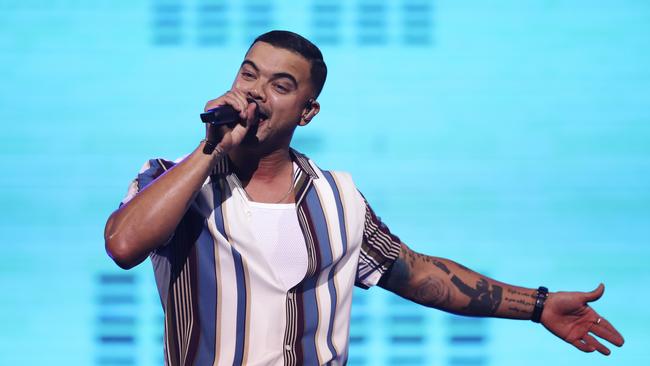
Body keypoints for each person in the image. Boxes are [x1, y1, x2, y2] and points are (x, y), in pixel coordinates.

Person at [104, 30, 624, 366]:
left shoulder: (338, 198)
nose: (258, 92)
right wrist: (210, 149)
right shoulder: (174, 180)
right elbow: (124, 245)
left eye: (281, 85)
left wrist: (536, 306)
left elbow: (417, 274)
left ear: (308, 112)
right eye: (249, 74)